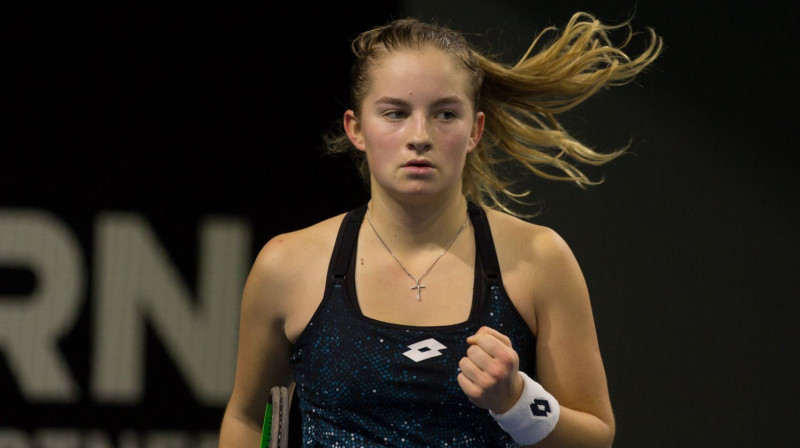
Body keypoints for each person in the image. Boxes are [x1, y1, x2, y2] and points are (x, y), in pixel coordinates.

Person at [219, 11, 661, 447]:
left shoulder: (540, 260)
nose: (420, 136)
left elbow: (596, 438)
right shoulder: (286, 265)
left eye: (445, 114)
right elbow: (248, 417)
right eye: (395, 113)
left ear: (475, 129)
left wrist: (516, 401)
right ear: (356, 129)